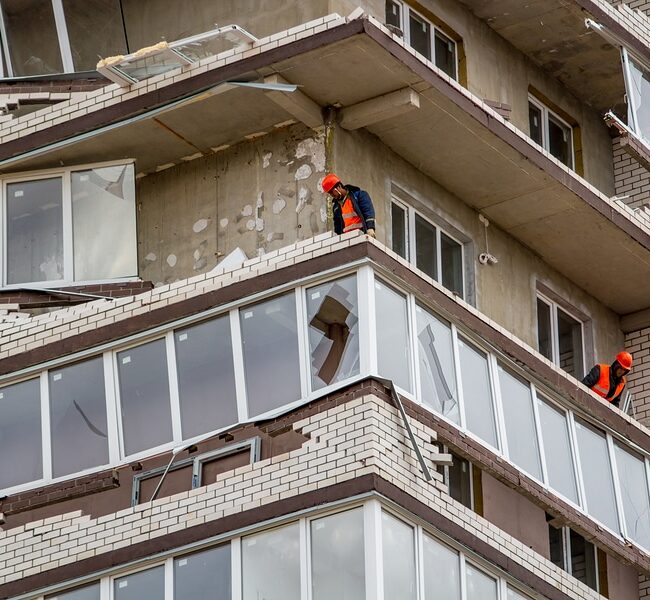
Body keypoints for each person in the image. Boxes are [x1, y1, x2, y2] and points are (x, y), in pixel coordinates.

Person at [321, 173, 376, 237]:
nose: (332, 195)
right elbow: (338, 226)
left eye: (332, 192)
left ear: (339, 186)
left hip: (361, 235)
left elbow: (368, 211)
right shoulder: (336, 207)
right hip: (347, 239)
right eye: (329, 193)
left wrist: (370, 228)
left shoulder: (359, 196)